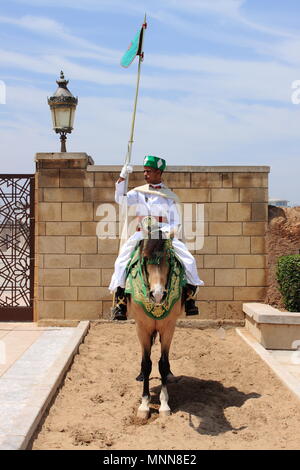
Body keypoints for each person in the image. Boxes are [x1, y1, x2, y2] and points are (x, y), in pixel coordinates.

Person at [109, 155, 204, 320]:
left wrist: (168, 231)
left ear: (159, 172)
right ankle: (121, 303)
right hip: (142, 232)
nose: (145, 174)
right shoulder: (138, 193)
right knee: (121, 262)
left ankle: (189, 300)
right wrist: (122, 176)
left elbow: (176, 221)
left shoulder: (170, 196)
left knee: (189, 261)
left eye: (149, 171)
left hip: (164, 233)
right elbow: (120, 199)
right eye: (144, 171)